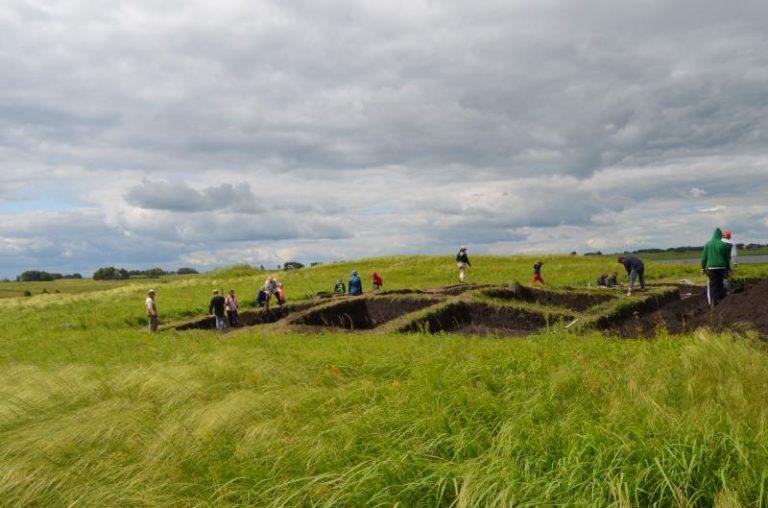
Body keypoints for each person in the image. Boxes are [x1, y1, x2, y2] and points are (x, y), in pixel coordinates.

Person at [701, 227, 732, 308]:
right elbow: (726, 258)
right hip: (722, 268)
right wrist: (728, 268)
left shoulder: (708, 244)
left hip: (711, 269)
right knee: (720, 284)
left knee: (712, 286)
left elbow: (704, 258)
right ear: (720, 236)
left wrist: (702, 268)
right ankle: (722, 302)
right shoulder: (723, 244)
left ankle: (713, 303)